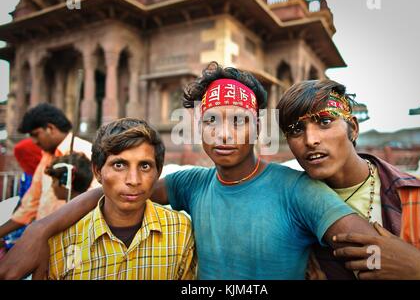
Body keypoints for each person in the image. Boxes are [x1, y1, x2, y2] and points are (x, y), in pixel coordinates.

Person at [0, 62, 378, 280]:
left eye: (240, 121)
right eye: (212, 120)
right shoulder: (192, 184)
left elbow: (374, 249)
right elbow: (122, 189)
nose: (225, 133)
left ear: (258, 128)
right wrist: (40, 229)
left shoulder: (296, 189)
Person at [277, 79, 420, 279]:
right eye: (296, 130)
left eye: (324, 122)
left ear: (353, 128)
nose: (311, 140)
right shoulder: (286, 205)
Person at [46, 118, 196, 280]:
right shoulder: (62, 241)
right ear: (97, 172)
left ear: (158, 173)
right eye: (119, 165)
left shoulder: (180, 231)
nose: (133, 180)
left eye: (144, 166)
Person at [0, 103, 98, 241]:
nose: (34, 141)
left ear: (50, 128)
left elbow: (93, 201)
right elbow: (30, 204)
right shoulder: (46, 157)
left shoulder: (85, 152)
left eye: (36, 135)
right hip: (45, 239)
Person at [2, 138, 42, 250]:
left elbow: (30, 207)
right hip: (22, 218)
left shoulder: (44, 176)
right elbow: (22, 199)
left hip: (32, 223)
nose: (21, 162)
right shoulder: (27, 174)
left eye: (24, 157)